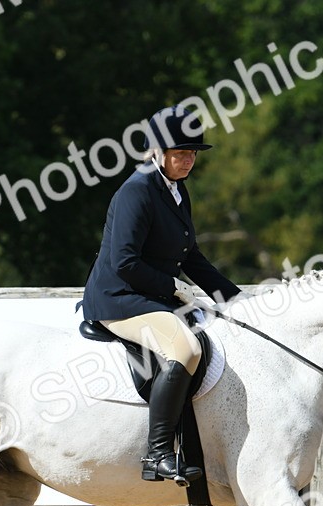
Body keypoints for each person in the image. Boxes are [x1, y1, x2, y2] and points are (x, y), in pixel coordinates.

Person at [81, 105, 242, 484]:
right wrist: (172, 286)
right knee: (185, 350)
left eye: (193, 153)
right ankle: (157, 454)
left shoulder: (176, 190)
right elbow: (124, 263)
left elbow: (192, 256)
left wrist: (234, 299)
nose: (188, 160)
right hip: (119, 298)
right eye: (180, 152)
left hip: (152, 297)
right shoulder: (136, 192)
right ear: (156, 151)